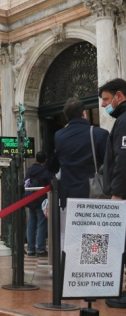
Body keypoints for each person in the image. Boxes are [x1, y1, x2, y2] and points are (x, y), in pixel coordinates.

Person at [49, 98, 109, 240]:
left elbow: (53, 166)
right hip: (94, 194)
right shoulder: (99, 134)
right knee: (95, 237)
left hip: (69, 196)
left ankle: (74, 261)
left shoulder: (59, 136)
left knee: (75, 237)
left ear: (66, 117)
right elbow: (110, 164)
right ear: (84, 113)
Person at [98, 78, 126, 309]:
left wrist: (117, 194)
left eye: (106, 99)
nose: (103, 105)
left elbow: (123, 160)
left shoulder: (124, 121)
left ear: (120, 96)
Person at [23, 151, 51, 257]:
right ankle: (40, 249)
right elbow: (50, 182)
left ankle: (30, 249)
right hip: (41, 200)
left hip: (30, 200)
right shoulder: (45, 171)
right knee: (41, 224)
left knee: (31, 224)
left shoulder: (30, 170)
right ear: (45, 160)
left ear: (36, 160)